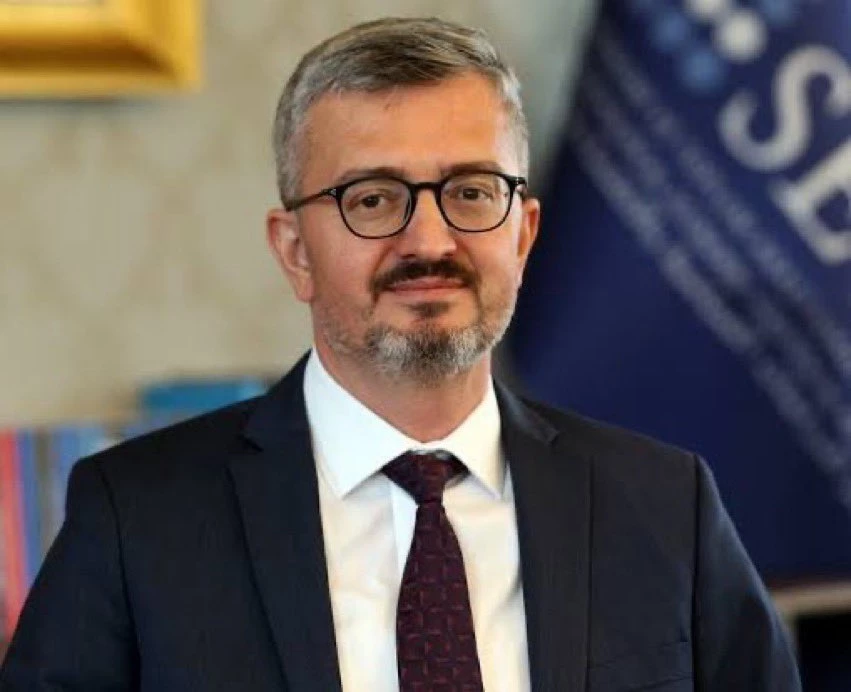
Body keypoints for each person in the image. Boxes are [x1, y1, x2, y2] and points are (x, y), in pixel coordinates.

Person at [0, 17, 800, 692]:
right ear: (294, 250)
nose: (428, 241)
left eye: (471, 192)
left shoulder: (664, 506)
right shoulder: (137, 518)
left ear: (523, 235)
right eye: (373, 198)